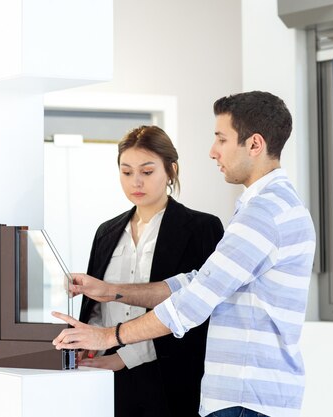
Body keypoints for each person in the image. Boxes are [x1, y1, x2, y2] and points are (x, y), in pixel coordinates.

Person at [53, 91, 316, 417]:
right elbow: (195, 283)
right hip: (238, 396)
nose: (212, 151)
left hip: (245, 398)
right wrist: (109, 292)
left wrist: (109, 337)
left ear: (254, 144)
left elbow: (194, 302)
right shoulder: (263, 207)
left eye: (221, 138)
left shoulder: (265, 212)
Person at [78, 125, 223, 417]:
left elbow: (198, 313)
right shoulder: (106, 232)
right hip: (106, 374)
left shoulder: (202, 228)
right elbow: (96, 307)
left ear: (171, 170)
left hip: (170, 378)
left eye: (147, 171)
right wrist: (88, 341)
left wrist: (125, 356)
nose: (136, 182)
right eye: (126, 171)